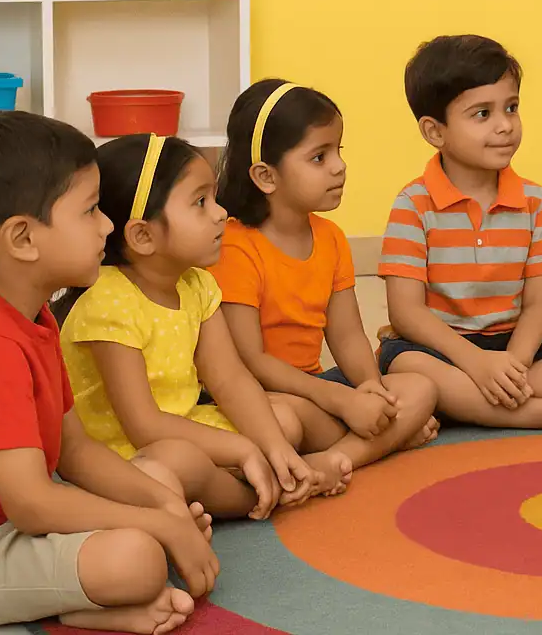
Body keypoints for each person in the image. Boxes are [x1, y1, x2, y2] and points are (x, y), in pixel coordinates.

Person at [0, 111, 215, 634]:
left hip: (5, 520)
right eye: (92, 210)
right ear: (23, 240)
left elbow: (74, 451)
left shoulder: (30, 310)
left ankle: (82, 595)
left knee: (160, 480)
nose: (108, 225)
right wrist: (158, 523)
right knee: (137, 560)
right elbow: (32, 504)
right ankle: (76, 605)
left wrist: (163, 504)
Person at [57, 134, 360, 522]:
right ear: (143, 236)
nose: (220, 214)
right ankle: (275, 490)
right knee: (180, 463)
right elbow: (144, 426)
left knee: (282, 420)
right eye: (200, 202)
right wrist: (243, 451)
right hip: (130, 451)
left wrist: (272, 446)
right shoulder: (108, 300)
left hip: (185, 424)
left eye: (214, 198)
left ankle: (280, 473)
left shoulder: (197, 284)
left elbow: (230, 379)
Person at [378, 35, 542, 434]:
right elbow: (407, 313)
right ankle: (537, 412)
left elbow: (540, 306)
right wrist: (476, 363)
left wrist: (513, 365)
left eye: (512, 108)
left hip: (512, 347)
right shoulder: (413, 203)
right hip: (443, 349)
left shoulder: (534, 201)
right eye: (482, 113)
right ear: (435, 132)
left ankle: (474, 404)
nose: (505, 125)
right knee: (404, 364)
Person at [211, 80, 439, 468]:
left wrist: (371, 389)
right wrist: (341, 401)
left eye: (338, 151)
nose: (339, 166)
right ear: (266, 177)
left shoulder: (330, 237)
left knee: (418, 387)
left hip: (316, 385)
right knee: (285, 423)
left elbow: (347, 334)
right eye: (319, 157)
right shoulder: (235, 247)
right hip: (263, 395)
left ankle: (337, 458)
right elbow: (251, 360)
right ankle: (378, 444)